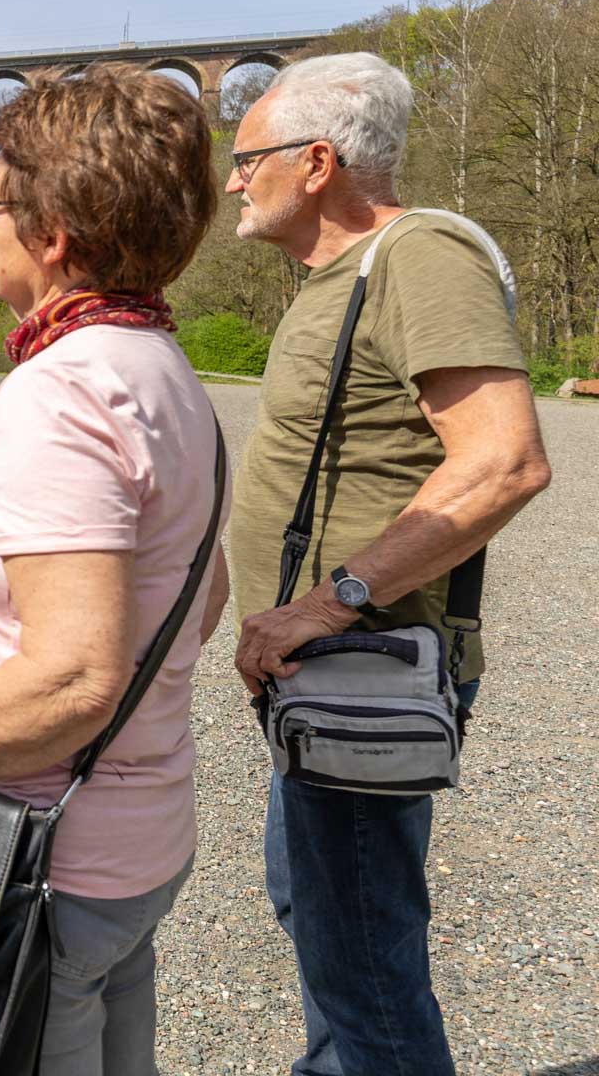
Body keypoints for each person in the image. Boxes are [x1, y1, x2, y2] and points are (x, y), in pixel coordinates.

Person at [0, 68, 231, 1075]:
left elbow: (77, 675)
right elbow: (201, 594)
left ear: (54, 236)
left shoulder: (67, 392)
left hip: (37, 854)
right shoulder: (165, 372)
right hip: (132, 840)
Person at [226, 52, 552, 1075]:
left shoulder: (418, 255)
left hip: (364, 665)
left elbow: (502, 461)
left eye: (247, 159)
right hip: (319, 672)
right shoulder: (338, 278)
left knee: (363, 956)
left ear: (316, 161)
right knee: (321, 914)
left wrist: (333, 602)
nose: (234, 179)